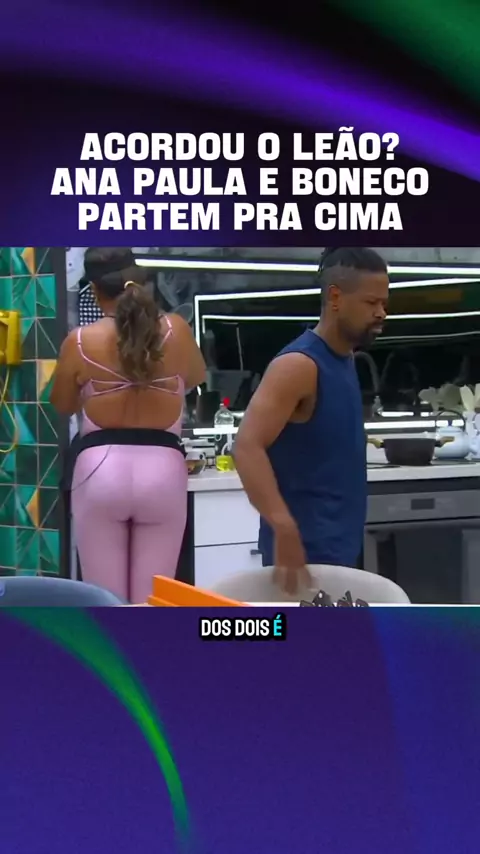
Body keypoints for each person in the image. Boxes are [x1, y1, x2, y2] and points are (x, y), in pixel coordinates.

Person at [51, 247, 206, 603]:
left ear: (94, 290)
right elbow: (196, 377)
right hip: (163, 473)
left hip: (99, 472)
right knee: (152, 602)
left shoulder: (80, 341)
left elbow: (61, 404)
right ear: (139, 280)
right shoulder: (177, 330)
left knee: (106, 602)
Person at [234, 247, 389, 594]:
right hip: (302, 556)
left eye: (384, 303)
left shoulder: (345, 359)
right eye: (371, 303)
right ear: (335, 297)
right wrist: (282, 524)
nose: (381, 313)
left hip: (338, 547)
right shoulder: (299, 365)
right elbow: (246, 446)